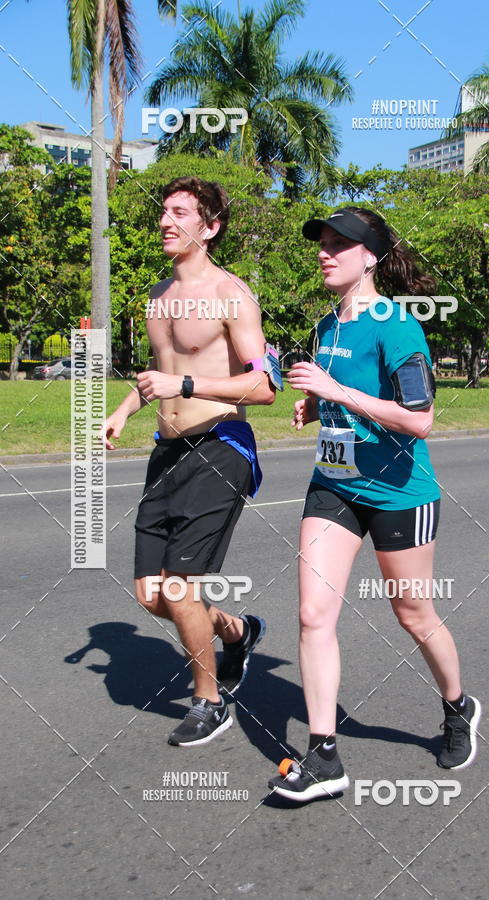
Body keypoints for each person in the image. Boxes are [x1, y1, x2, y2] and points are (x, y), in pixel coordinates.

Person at [268, 207, 481, 802]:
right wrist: (317, 407)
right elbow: (340, 394)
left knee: (412, 613)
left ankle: (458, 707)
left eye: (340, 245)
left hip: (398, 492)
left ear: (371, 258)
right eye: (323, 244)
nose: (325, 253)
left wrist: (339, 392)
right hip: (334, 484)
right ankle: (323, 755)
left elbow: (420, 420)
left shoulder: (397, 326)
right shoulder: (325, 326)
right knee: (313, 614)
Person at [101, 176, 277, 747]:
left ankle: (209, 701)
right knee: (153, 596)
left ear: (211, 226)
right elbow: (160, 374)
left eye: (181, 213)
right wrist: (125, 409)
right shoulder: (157, 297)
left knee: (179, 590)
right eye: (164, 211)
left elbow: (264, 385)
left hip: (221, 447)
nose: (166, 221)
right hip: (167, 451)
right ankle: (238, 630)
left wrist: (186, 381)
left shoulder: (232, 295)